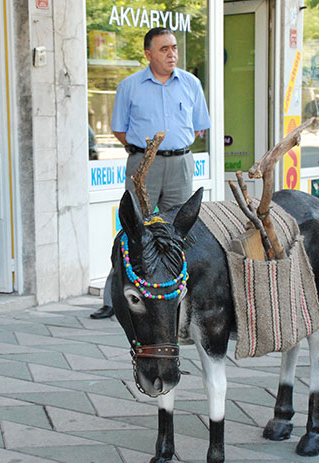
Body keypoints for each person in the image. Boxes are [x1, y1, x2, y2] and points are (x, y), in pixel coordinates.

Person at [91, 27, 210, 319]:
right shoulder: (129, 86)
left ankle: (181, 294)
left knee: (181, 229)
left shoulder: (191, 83)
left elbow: (198, 127)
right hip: (143, 164)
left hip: (180, 164)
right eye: (164, 49)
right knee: (133, 227)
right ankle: (115, 296)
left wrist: (172, 147)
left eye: (174, 48)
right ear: (148, 54)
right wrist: (147, 154)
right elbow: (119, 129)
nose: (172, 54)